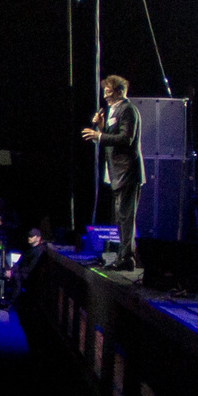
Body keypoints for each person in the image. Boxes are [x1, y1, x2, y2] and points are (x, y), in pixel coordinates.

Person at [81, 74, 142, 272]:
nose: (105, 97)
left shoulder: (128, 109)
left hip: (127, 171)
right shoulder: (113, 109)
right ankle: (123, 256)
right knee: (121, 218)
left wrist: (99, 135)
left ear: (120, 92)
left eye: (108, 93)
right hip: (116, 171)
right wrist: (101, 127)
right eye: (104, 92)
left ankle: (127, 258)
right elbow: (112, 135)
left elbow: (126, 138)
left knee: (126, 217)